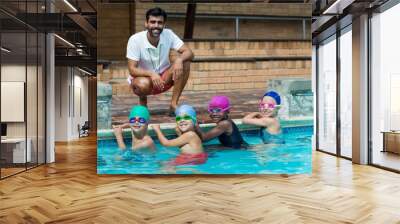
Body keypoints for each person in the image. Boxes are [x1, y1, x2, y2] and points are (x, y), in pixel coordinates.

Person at [126, 7, 194, 116]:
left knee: (185, 62)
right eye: (152, 22)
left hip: (165, 78)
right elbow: (132, 69)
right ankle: (143, 105)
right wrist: (151, 74)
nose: (156, 25)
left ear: (164, 24)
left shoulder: (168, 34)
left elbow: (189, 52)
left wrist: (179, 60)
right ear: (146, 23)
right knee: (141, 84)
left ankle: (173, 104)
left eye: (160, 22)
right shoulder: (135, 40)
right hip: (146, 81)